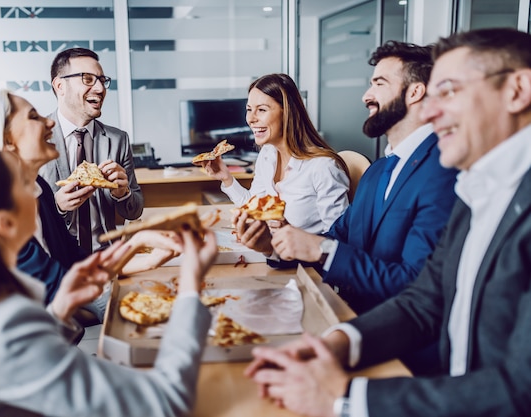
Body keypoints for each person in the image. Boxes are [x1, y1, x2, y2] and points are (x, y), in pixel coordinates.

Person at [245, 27, 531, 417]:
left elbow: (520, 390)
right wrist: (338, 343)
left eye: (448, 92)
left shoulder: (461, 180)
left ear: (517, 90)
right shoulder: (478, 185)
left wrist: (344, 398)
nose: (429, 112)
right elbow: (426, 302)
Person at [0, 140, 218, 417]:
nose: (36, 187)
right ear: (5, 224)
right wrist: (191, 285)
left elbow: (19, 368)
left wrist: (59, 310)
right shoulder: (3, 327)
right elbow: (163, 402)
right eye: (22, 183)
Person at [249, 41, 458, 316]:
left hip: (391, 332)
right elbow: (338, 240)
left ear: (415, 92)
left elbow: (415, 284)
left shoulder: (444, 172)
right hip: (345, 314)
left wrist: (321, 249)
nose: (366, 96)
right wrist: (274, 246)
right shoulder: (377, 171)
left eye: (379, 84)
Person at [0, 90, 179, 323]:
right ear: (7, 140)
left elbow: (75, 261)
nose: (50, 121)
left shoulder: (38, 188)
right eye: (34, 117)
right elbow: (61, 288)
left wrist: (144, 256)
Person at [201, 73, 350, 240]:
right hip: (273, 254)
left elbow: (340, 242)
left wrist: (293, 238)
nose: (250, 119)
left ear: (287, 113)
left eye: (262, 110)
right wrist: (226, 178)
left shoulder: (323, 167)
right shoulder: (268, 153)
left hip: (304, 264)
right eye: (249, 110)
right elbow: (254, 208)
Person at [40, 47, 144, 254]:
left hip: (106, 255)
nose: (100, 88)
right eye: (88, 79)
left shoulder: (118, 140)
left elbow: (134, 211)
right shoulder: (35, 139)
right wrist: (56, 206)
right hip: (55, 259)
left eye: (102, 80)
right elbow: (19, 218)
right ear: (60, 85)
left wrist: (122, 193)